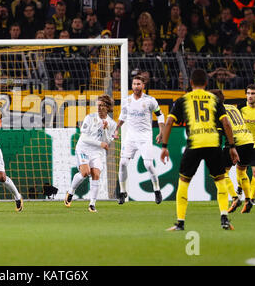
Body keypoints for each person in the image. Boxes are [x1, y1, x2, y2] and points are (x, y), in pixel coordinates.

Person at [160, 69, 239, 231]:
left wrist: (164, 146)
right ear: (206, 83)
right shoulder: (214, 99)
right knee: (220, 180)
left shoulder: (184, 99)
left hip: (194, 144)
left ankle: (180, 222)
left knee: (183, 182)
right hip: (213, 143)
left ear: (190, 83)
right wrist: (232, 147)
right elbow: (226, 124)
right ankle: (224, 218)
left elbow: (168, 123)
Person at [64, 94, 117, 212]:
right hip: (84, 148)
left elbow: (108, 141)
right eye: (97, 105)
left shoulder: (112, 124)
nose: (98, 108)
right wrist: (100, 144)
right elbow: (85, 138)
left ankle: (92, 204)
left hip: (97, 153)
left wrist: (106, 129)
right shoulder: (89, 118)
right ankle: (71, 191)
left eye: (102, 105)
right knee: (85, 172)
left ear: (107, 107)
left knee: (96, 174)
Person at [117, 75, 165, 204]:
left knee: (148, 165)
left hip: (144, 137)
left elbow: (160, 115)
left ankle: (157, 190)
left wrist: (161, 131)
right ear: (131, 86)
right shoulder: (126, 101)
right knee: (122, 163)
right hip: (130, 137)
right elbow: (122, 116)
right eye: (134, 84)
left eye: (138, 84)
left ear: (143, 86)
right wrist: (116, 129)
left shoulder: (150, 100)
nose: (136, 86)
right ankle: (122, 192)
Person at [209, 90, 254, 214]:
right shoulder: (233, 108)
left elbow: (223, 129)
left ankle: (234, 198)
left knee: (222, 172)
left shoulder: (218, 111)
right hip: (248, 139)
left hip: (235, 141)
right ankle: (248, 199)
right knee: (242, 171)